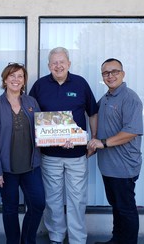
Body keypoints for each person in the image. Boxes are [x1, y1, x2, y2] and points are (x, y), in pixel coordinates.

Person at [29, 47, 98, 244]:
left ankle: (77, 240)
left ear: (69, 63)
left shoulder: (80, 83)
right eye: (54, 63)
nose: (58, 66)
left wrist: (93, 138)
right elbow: (31, 115)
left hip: (77, 155)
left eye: (62, 62)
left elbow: (92, 112)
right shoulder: (40, 85)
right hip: (50, 155)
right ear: (49, 65)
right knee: (53, 200)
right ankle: (56, 237)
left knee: (77, 201)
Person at [0, 62, 45, 244]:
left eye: (20, 76)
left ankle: (28, 239)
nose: (16, 80)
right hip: (6, 170)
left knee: (38, 204)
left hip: (31, 166)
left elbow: (43, 130)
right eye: (12, 76)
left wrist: (62, 138)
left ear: (24, 81)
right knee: (10, 209)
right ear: (5, 79)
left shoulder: (31, 102)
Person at [88, 58, 143, 244]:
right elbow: (92, 114)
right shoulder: (105, 98)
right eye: (105, 73)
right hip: (108, 166)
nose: (110, 76)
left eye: (114, 71)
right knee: (117, 207)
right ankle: (117, 240)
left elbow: (131, 131)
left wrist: (102, 143)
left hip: (124, 166)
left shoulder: (129, 97)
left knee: (125, 209)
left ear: (123, 73)